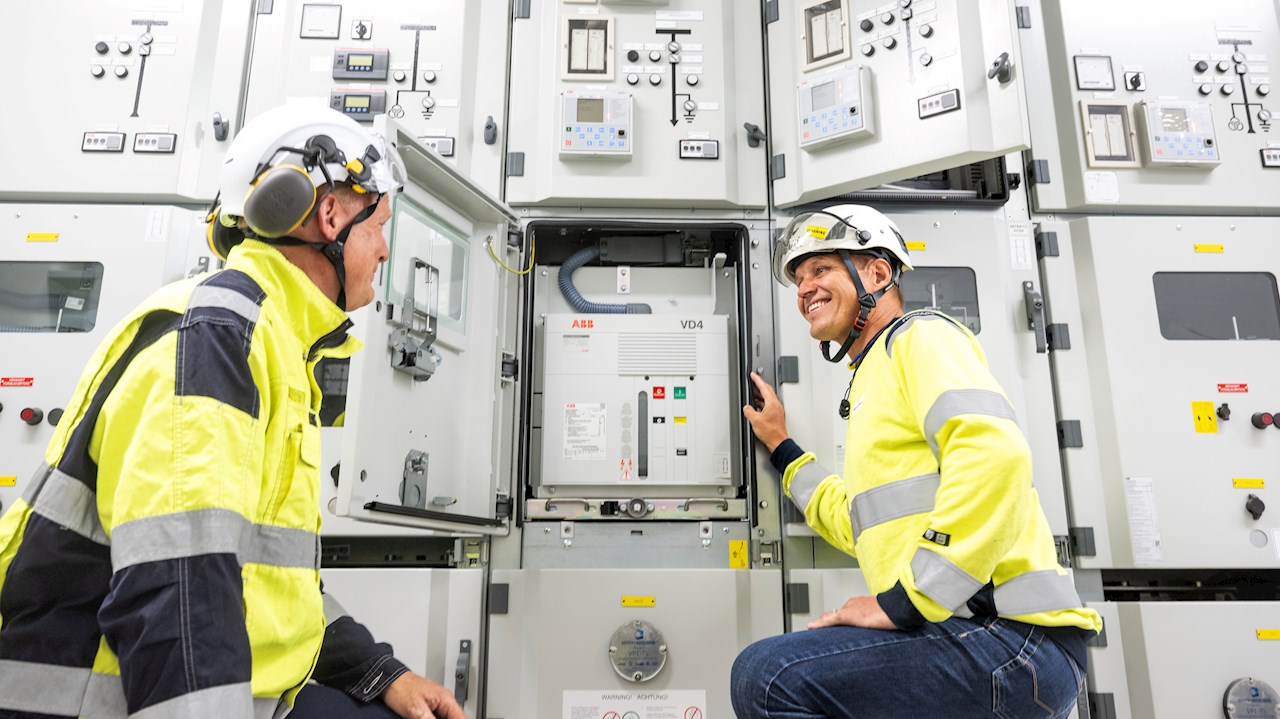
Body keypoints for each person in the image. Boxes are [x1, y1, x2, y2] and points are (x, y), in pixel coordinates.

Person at [0, 106, 464, 719]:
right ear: (332, 218)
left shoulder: (273, 339)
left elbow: (270, 581)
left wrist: (381, 674)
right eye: (379, 226)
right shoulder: (220, 335)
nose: (382, 251)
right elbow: (178, 584)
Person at [731, 205, 1102, 718]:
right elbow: (855, 519)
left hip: (1011, 638)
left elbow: (994, 455)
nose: (803, 289)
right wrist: (782, 447)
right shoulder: (873, 376)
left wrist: (906, 601)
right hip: (985, 639)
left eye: (820, 269)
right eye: (798, 278)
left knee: (769, 677)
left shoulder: (920, 337)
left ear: (878, 274)